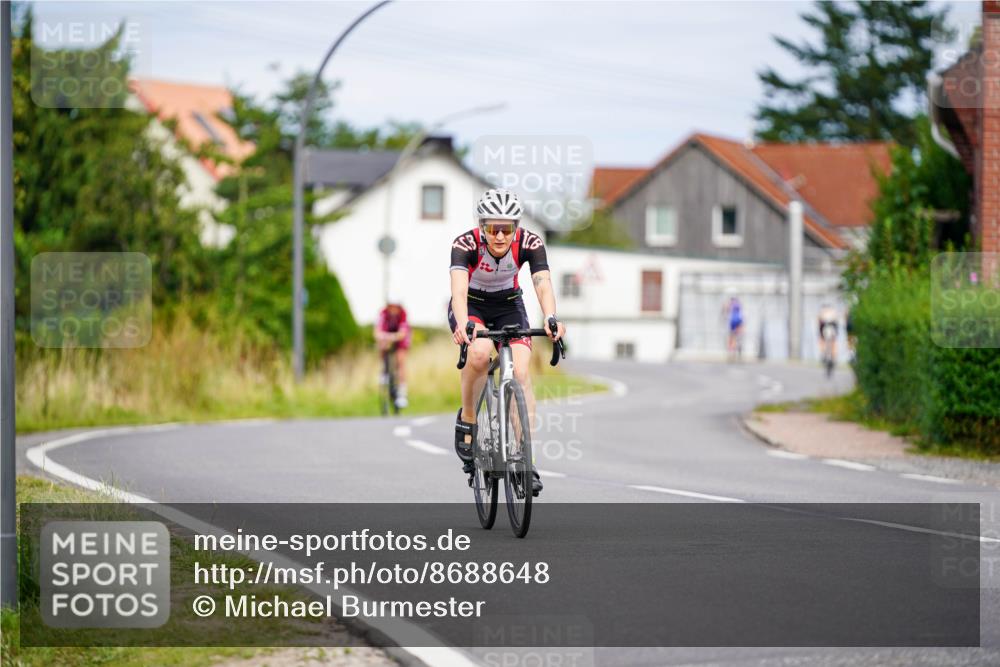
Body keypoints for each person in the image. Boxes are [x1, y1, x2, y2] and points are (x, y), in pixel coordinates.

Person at [448, 188, 565, 497]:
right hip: (472, 306)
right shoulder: (465, 244)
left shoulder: (531, 243)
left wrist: (551, 317)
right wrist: (462, 326)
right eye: (491, 228)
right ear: (481, 227)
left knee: (522, 374)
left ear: (516, 227)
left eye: (506, 229)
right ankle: (469, 418)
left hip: (510, 305)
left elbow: (542, 283)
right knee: (480, 355)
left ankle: (526, 459)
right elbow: (459, 292)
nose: (499, 236)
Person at [375, 300, 411, 409]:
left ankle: (402, 392)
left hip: (400, 339)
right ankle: (384, 371)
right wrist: (383, 337)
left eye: (396, 307)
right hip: (387, 336)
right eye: (391, 307)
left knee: (400, 360)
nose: (393, 310)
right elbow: (377, 331)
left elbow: (402, 334)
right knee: (382, 344)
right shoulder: (383, 313)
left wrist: (391, 337)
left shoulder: (403, 314)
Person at [724, 295, 744, 362]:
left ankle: (732, 355)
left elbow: (726, 311)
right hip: (738, 322)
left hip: (733, 323)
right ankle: (738, 355)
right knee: (738, 340)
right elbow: (742, 316)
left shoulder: (730, 304)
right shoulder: (738, 304)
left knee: (732, 340)